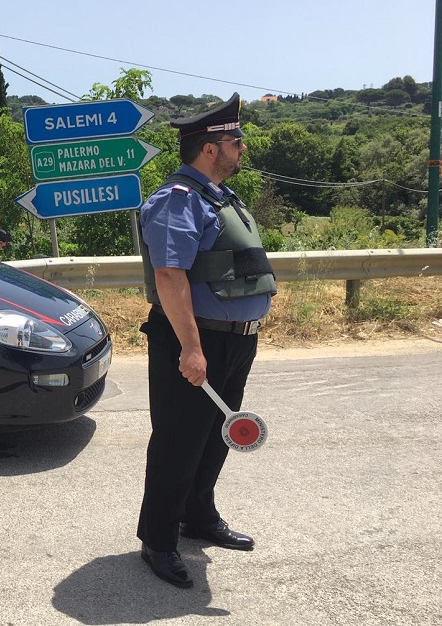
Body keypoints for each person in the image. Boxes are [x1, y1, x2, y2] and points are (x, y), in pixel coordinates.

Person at [135, 93, 276, 589]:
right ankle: (158, 539)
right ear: (210, 148)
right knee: (179, 441)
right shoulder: (178, 199)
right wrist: (191, 348)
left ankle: (198, 516)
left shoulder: (218, 196)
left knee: (214, 437)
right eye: (236, 142)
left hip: (234, 342)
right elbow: (170, 276)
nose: (242, 149)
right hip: (198, 343)